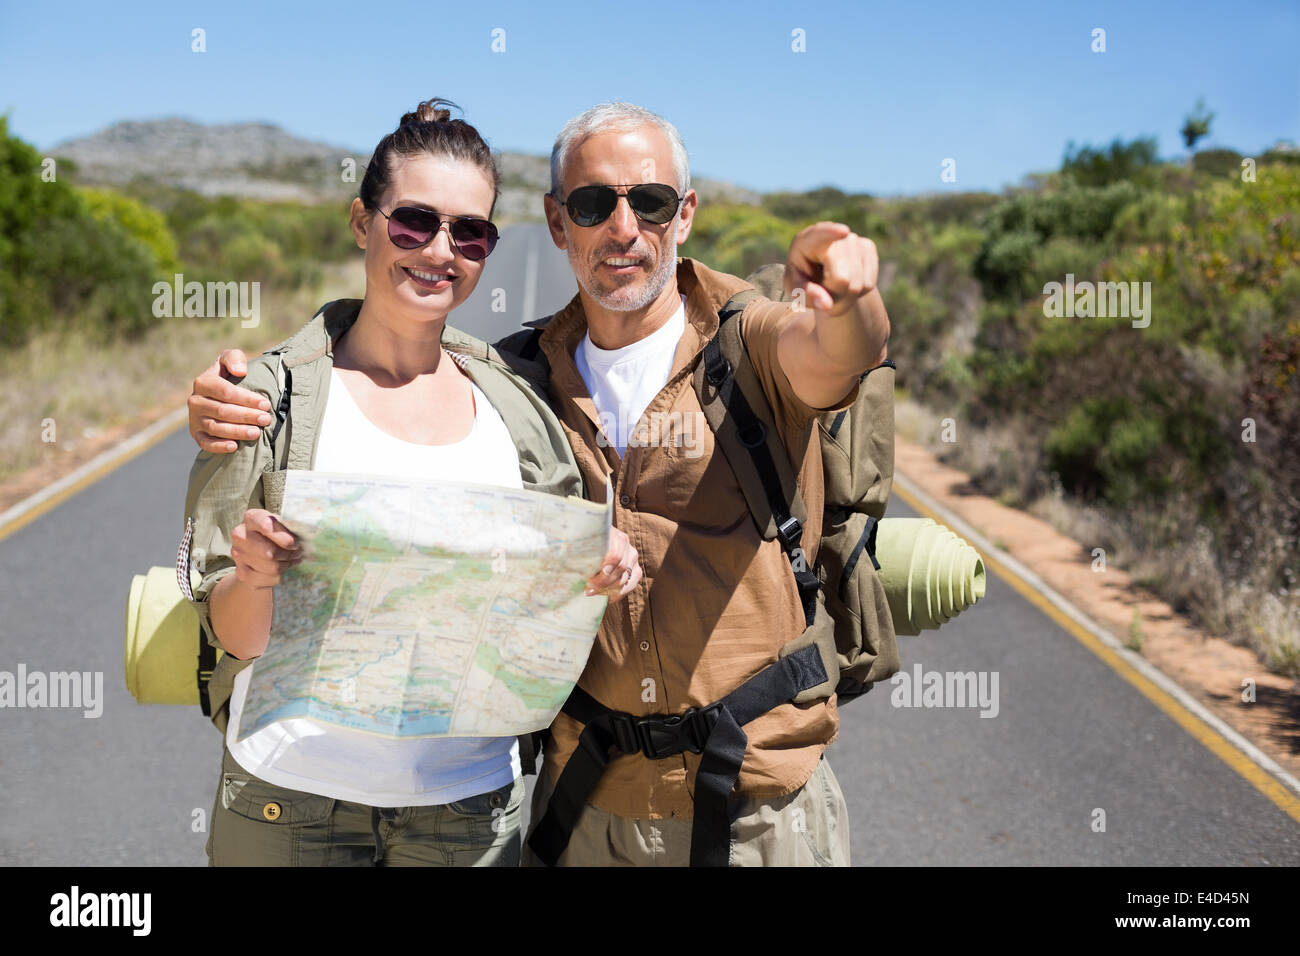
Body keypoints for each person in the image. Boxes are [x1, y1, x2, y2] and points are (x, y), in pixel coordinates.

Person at [188, 101, 889, 866]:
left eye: (649, 201)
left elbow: (835, 356)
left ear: (684, 215)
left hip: (744, 801)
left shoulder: (738, 346)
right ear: (559, 224)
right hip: (580, 805)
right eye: (594, 204)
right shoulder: (521, 379)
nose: (624, 227)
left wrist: (852, 302)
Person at [181, 98, 641, 867]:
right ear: (363, 223)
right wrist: (257, 578)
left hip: (468, 812)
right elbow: (232, 632)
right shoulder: (268, 400)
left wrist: (601, 559)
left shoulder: (516, 410)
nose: (440, 249)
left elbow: (553, 597)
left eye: (470, 232)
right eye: (413, 222)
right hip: (287, 799)